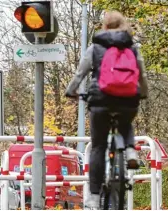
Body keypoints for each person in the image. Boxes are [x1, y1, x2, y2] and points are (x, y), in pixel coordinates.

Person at [65, 11, 149, 209]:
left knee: (98, 146)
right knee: (125, 121)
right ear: (124, 26)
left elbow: (81, 72)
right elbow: (142, 74)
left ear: (104, 26)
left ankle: (93, 197)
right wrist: (142, 93)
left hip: (100, 100)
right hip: (127, 100)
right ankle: (129, 152)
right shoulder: (132, 47)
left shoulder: (95, 47)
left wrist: (71, 91)